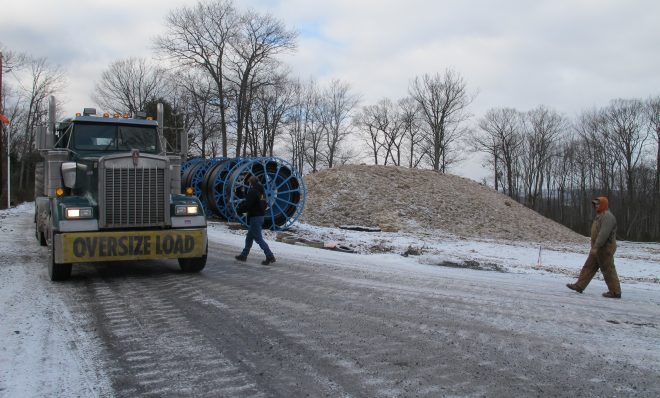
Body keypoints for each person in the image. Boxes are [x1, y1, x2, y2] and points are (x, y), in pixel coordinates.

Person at [566, 196, 621, 298]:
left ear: (604, 204)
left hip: (605, 248)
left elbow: (603, 234)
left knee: (608, 269)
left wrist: (596, 246)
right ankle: (579, 285)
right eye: (595, 204)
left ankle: (615, 291)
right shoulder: (600, 216)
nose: (596, 206)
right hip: (598, 248)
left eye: (598, 204)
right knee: (589, 266)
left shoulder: (607, 217)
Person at [234, 176, 276, 265]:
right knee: (249, 238)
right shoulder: (262, 193)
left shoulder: (253, 191)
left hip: (254, 218)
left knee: (259, 239)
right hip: (260, 217)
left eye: (249, 182)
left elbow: (248, 204)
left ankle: (270, 256)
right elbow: (265, 205)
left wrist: (239, 211)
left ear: (251, 183)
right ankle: (244, 255)